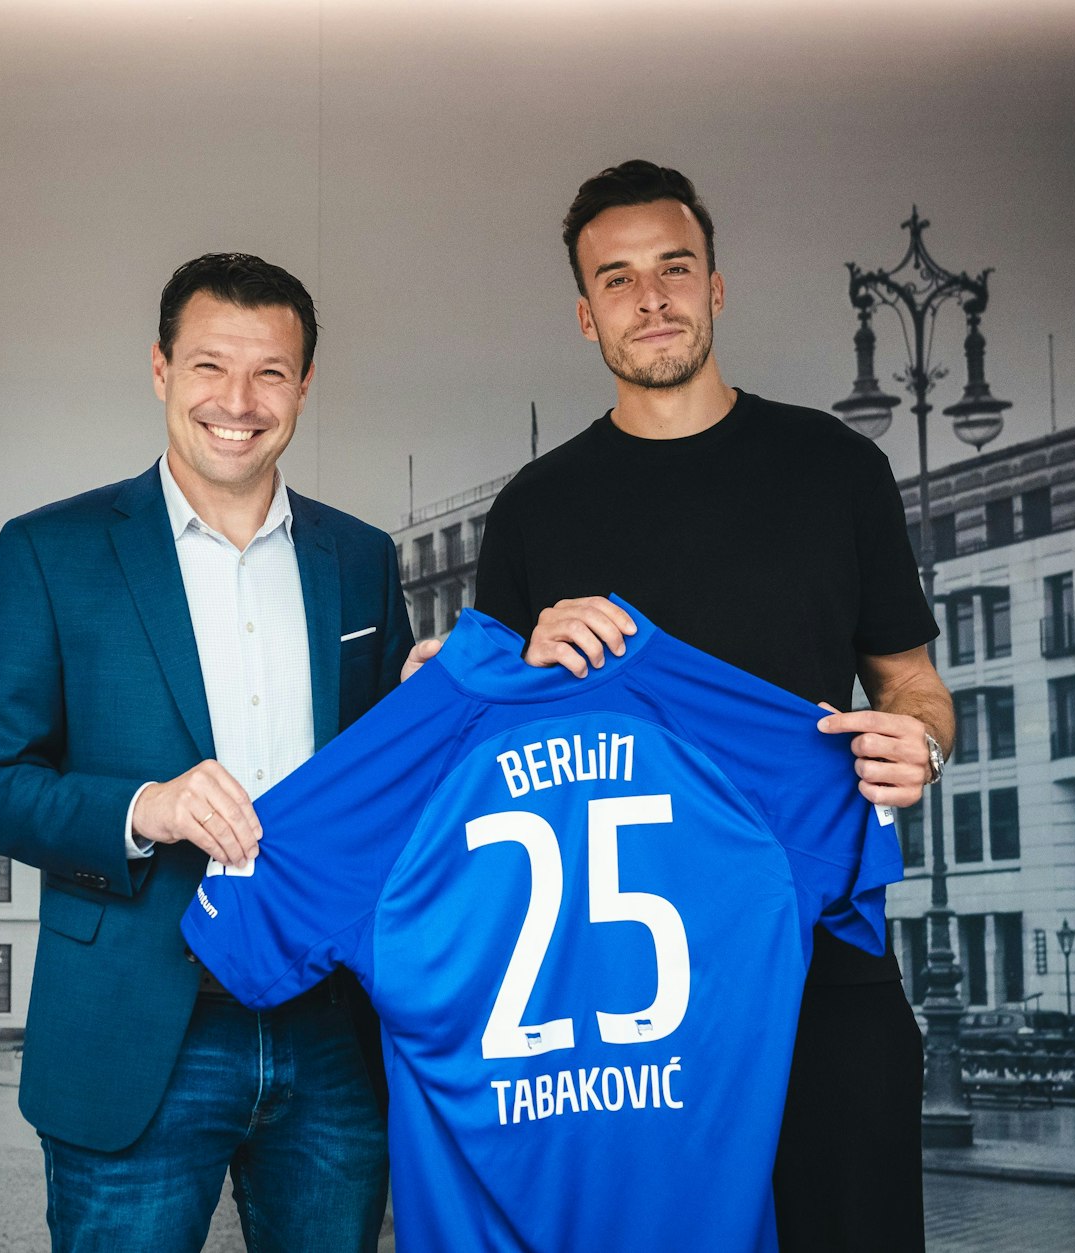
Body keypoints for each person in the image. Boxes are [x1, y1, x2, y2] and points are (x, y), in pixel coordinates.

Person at [407, 160, 954, 1250]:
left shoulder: (834, 467)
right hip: (622, 989)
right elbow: (484, 752)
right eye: (616, 279)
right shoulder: (534, 508)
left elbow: (910, 683)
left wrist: (921, 744)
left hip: (818, 950)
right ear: (583, 313)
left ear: (715, 286)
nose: (648, 296)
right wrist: (469, 674)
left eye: (672, 268)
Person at [0, 253, 411, 1253]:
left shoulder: (363, 559)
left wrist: (432, 717)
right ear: (160, 369)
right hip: (134, 1026)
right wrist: (141, 807)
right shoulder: (51, 550)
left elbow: (386, 791)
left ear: (303, 385)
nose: (237, 402)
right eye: (209, 366)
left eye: (269, 373)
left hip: (332, 1028)